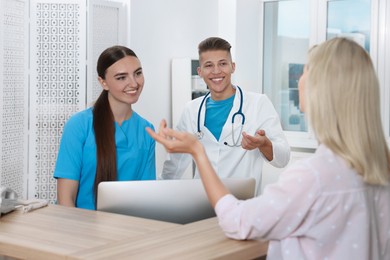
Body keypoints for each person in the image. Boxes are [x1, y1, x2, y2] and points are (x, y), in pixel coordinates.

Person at [147, 37, 390, 259]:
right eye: (209, 65)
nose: (299, 79)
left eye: (305, 71)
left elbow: (237, 220)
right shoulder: (379, 169)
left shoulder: (312, 177)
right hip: (207, 211)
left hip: (242, 212)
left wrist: (198, 152)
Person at [162, 37, 290, 195]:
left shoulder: (258, 104)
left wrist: (264, 144)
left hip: (242, 205)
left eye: (222, 63)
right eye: (209, 65)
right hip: (202, 204)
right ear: (200, 72)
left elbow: (283, 158)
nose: (216, 71)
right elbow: (175, 163)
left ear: (232, 67)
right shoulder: (191, 110)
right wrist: (159, 195)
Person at [54, 45, 156, 210]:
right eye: (121, 77)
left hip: (129, 229)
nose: (134, 83)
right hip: (80, 229)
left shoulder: (147, 131)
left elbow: (146, 197)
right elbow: (66, 200)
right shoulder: (79, 125)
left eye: (138, 73)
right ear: (103, 82)